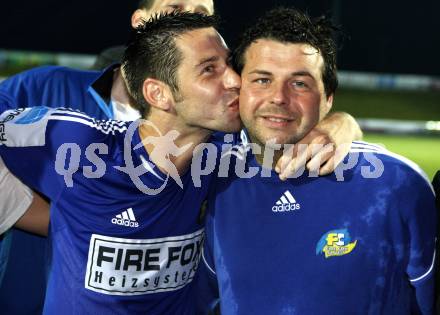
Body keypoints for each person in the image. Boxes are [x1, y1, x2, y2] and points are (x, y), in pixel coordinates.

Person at [0, 11, 360, 314]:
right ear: (159, 94)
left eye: (229, 65)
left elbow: (296, 122)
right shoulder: (77, 143)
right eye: (209, 70)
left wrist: (341, 124)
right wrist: (21, 208)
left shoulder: (228, 159)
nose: (236, 80)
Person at [199, 7, 437, 315]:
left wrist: (345, 124)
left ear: (328, 99)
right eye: (261, 80)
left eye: (299, 83)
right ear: (238, 90)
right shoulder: (216, 182)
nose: (279, 97)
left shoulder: (395, 185)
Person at [92, 0, 215, 70]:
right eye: (174, 8)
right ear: (139, 20)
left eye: (201, 13)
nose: (189, 17)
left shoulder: (227, 81)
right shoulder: (113, 63)